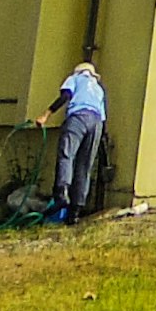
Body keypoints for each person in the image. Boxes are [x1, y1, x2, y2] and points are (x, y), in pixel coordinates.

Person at [48, 59, 106, 222]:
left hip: (78, 117)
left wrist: (46, 114)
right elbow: (103, 117)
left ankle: (62, 194)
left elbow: (65, 96)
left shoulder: (74, 79)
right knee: (84, 165)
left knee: (67, 155)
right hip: (96, 123)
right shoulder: (98, 89)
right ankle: (75, 212)